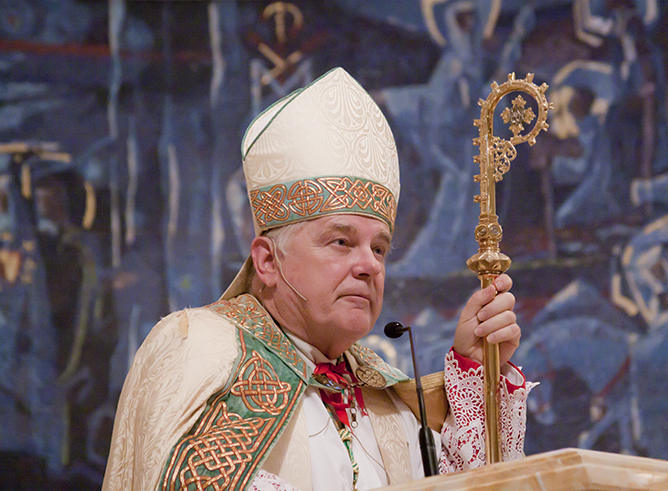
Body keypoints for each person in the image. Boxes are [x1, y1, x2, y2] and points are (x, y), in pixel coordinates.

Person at [102, 67, 534, 491]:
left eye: (379, 248)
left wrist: (477, 372)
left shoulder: (384, 401)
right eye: (342, 242)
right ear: (268, 262)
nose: (370, 265)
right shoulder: (199, 347)